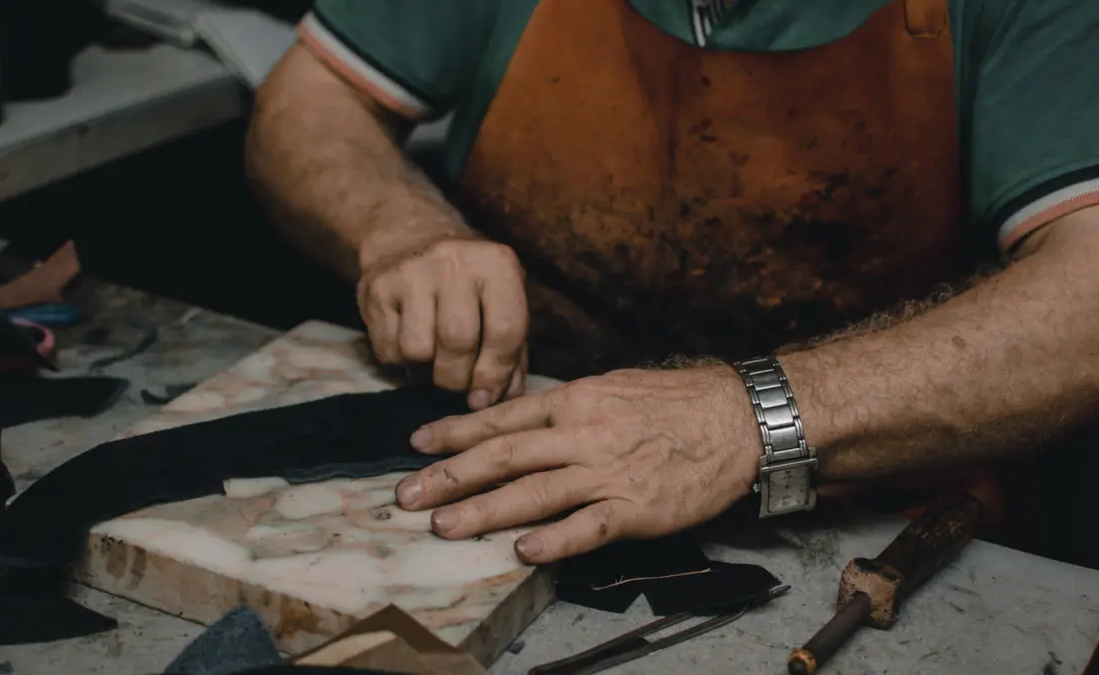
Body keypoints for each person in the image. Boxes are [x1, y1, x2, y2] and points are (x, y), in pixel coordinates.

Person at [246, 0, 1099, 566]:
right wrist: (400, 226)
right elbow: (310, 99)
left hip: (865, 510)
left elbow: (1086, 292)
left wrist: (745, 418)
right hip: (518, 435)